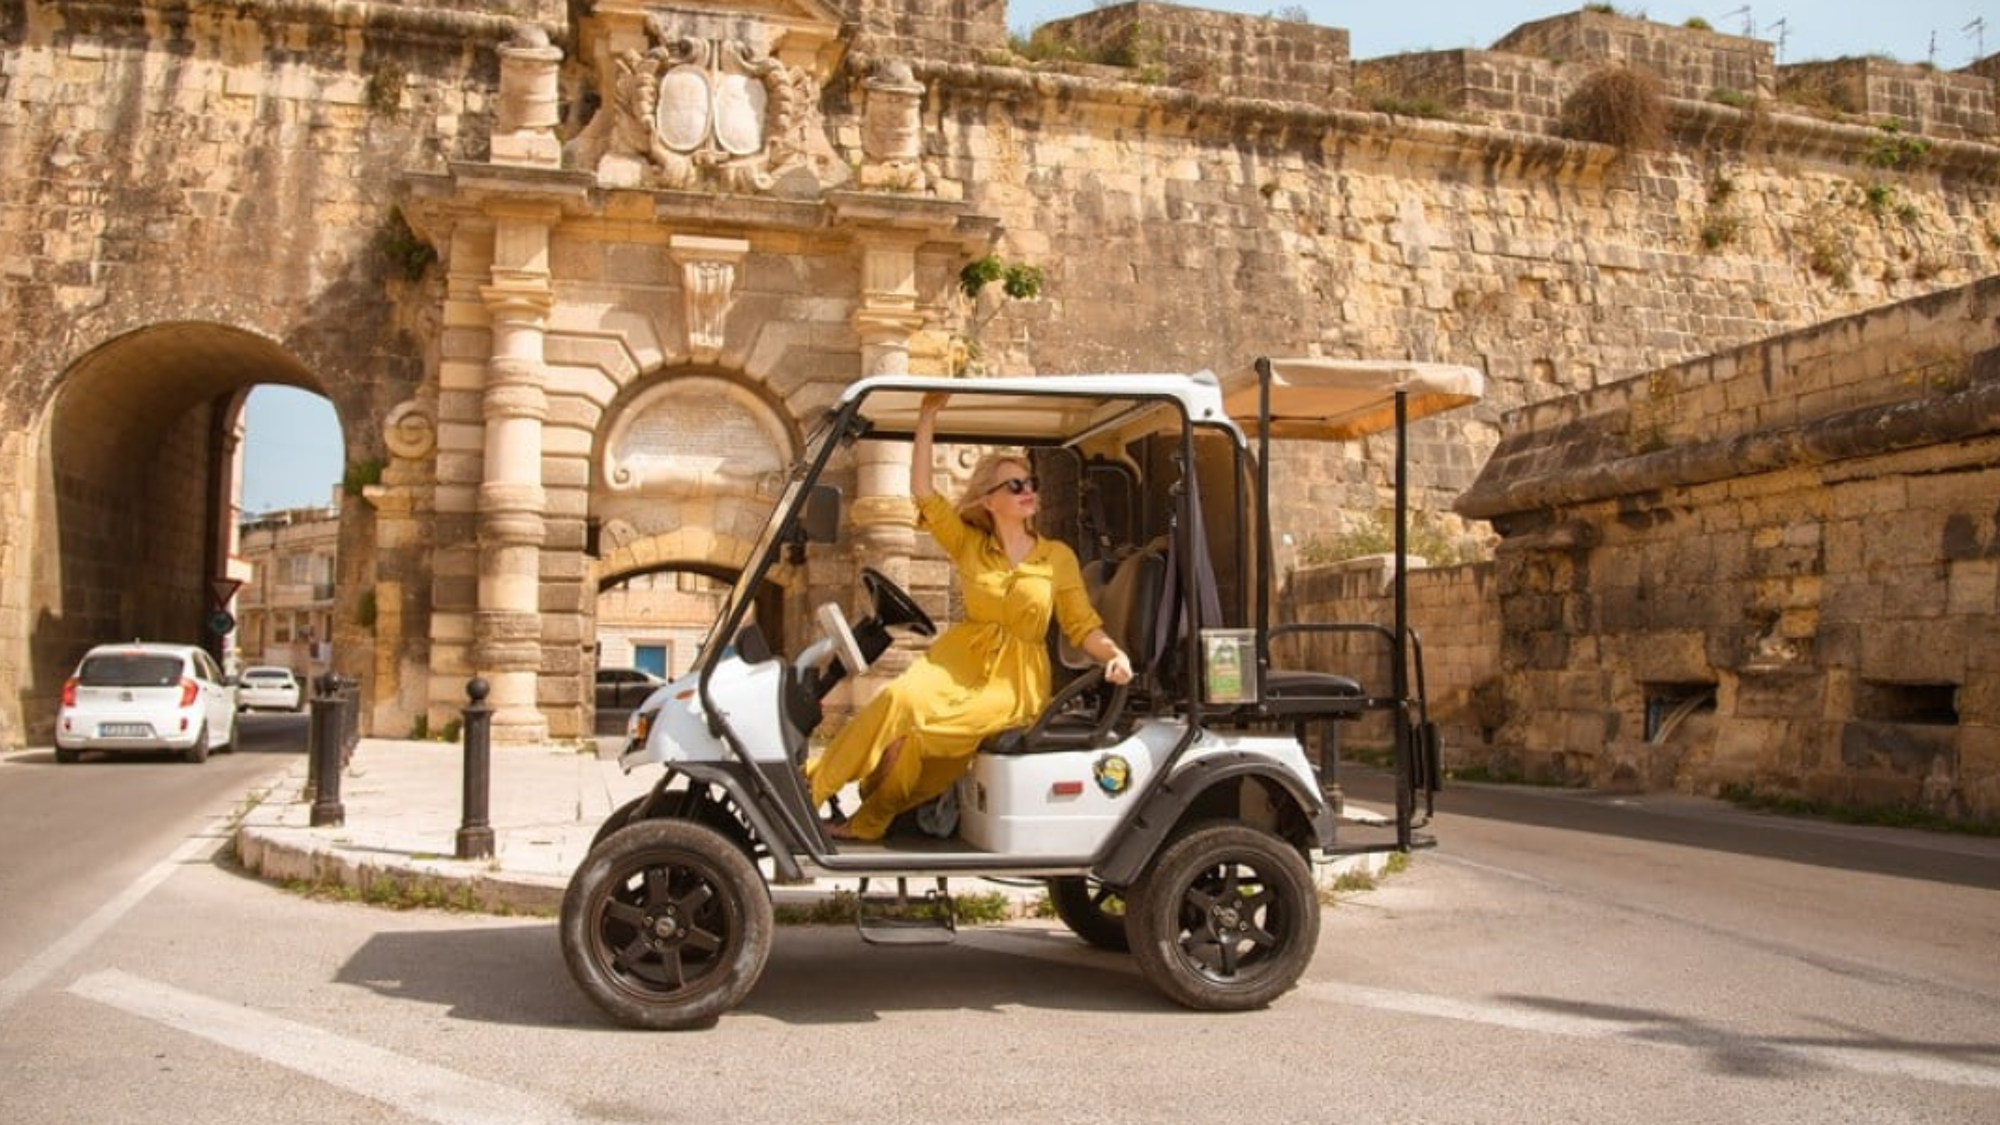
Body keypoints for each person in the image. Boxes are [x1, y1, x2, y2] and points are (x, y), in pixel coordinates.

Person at [805, 391, 1134, 841]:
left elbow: (1081, 624)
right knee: (896, 700)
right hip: (958, 660)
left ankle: (870, 820)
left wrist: (1112, 654)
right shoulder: (971, 545)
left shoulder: (1056, 557)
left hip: (1013, 683)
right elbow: (924, 492)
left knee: (921, 736)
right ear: (988, 500)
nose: (1028, 492)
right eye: (1015, 486)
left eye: (1031, 483)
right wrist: (926, 417)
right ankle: (809, 795)